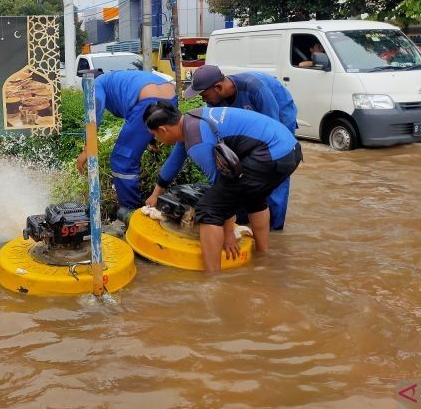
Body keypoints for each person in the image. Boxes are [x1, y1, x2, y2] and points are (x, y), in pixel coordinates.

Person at [143, 101, 302, 273]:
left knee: (209, 209)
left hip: (271, 154)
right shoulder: (191, 120)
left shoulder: (197, 142)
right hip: (289, 150)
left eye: (154, 135)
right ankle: (263, 257)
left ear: (163, 130)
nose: (156, 140)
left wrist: (228, 234)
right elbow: (175, 161)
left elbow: (222, 186)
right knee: (253, 196)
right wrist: (156, 193)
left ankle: (213, 279)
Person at [183, 64, 297, 230]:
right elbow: (216, 134)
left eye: (204, 95)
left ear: (218, 87)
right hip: (251, 122)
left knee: (274, 166)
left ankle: (273, 226)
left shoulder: (255, 89)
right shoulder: (215, 101)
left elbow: (272, 130)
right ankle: (242, 220)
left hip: (279, 114)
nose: (203, 100)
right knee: (243, 169)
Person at [75, 69, 177, 220]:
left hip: (148, 101)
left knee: (122, 159)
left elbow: (95, 107)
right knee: (131, 152)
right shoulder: (116, 78)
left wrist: (87, 148)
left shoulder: (96, 84)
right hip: (170, 97)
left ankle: (131, 213)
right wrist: (151, 139)